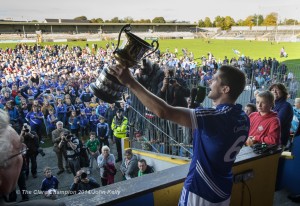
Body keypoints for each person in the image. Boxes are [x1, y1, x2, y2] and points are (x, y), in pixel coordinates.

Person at [109, 64, 249, 205]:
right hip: (223, 190)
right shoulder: (243, 117)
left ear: (225, 89)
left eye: (214, 80)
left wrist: (130, 82)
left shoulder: (215, 117)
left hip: (200, 191)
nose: (209, 82)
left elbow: (164, 111)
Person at [0, 110, 65, 206]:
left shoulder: (33, 133)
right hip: (28, 154)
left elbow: (35, 139)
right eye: (19, 149)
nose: (20, 158)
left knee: (32, 166)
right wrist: (22, 133)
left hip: (33, 152)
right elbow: (21, 139)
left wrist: (29, 133)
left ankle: (32, 177)